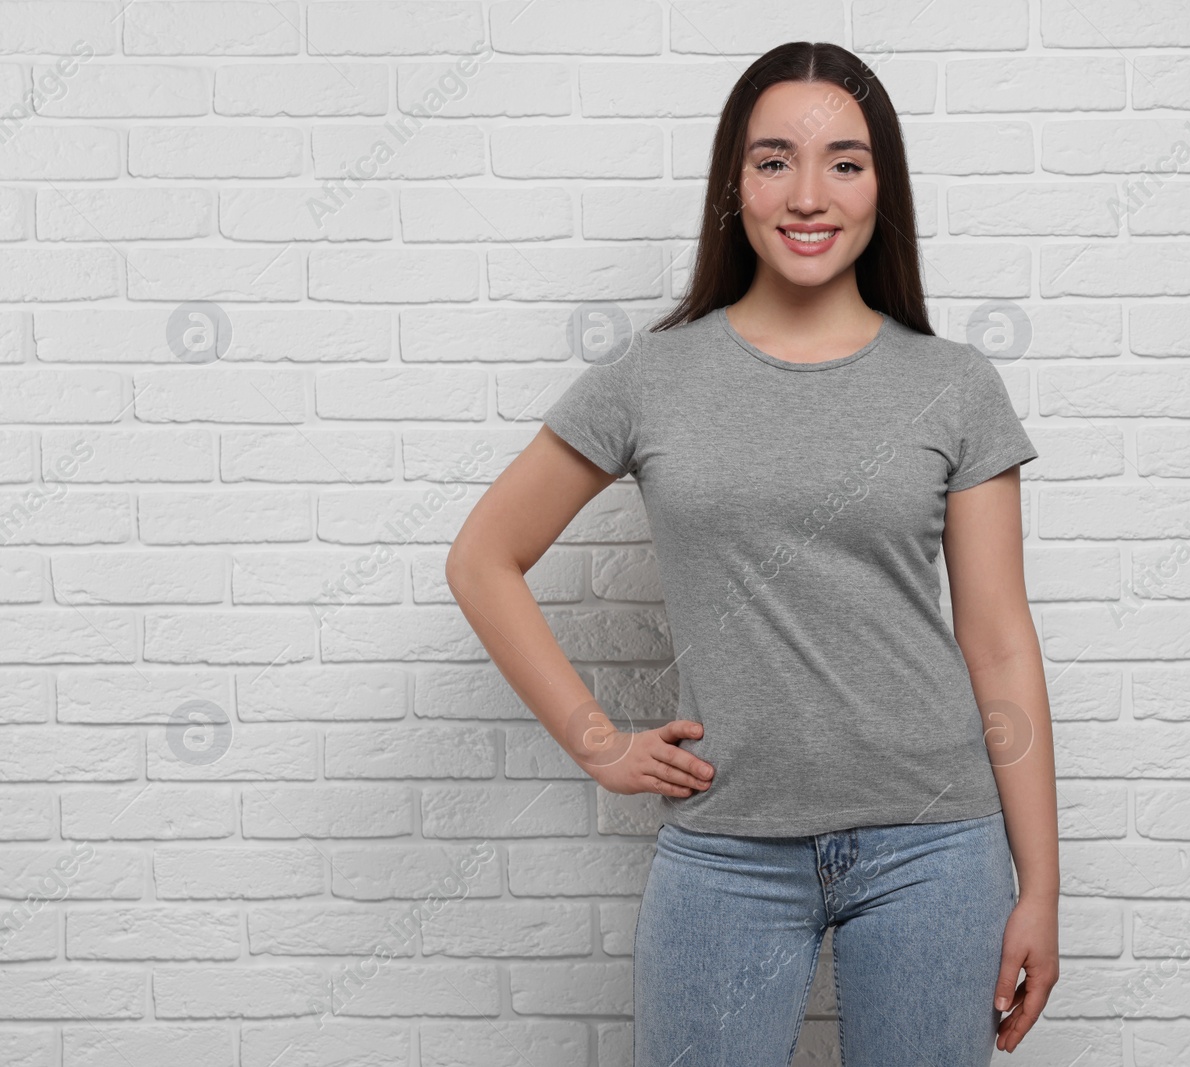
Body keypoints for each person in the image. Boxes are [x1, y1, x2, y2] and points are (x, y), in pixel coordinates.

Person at [446, 40, 1059, 1066]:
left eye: (845, 162)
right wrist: (599, 744)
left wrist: (1037, 884)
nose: (808, 193)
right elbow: (483, 557)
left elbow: (998, 638)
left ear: (882, 187)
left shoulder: (954, 385)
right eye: (774, 160)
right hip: (725, 849)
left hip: (936, 845)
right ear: (735, 184)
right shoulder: (652, 377)